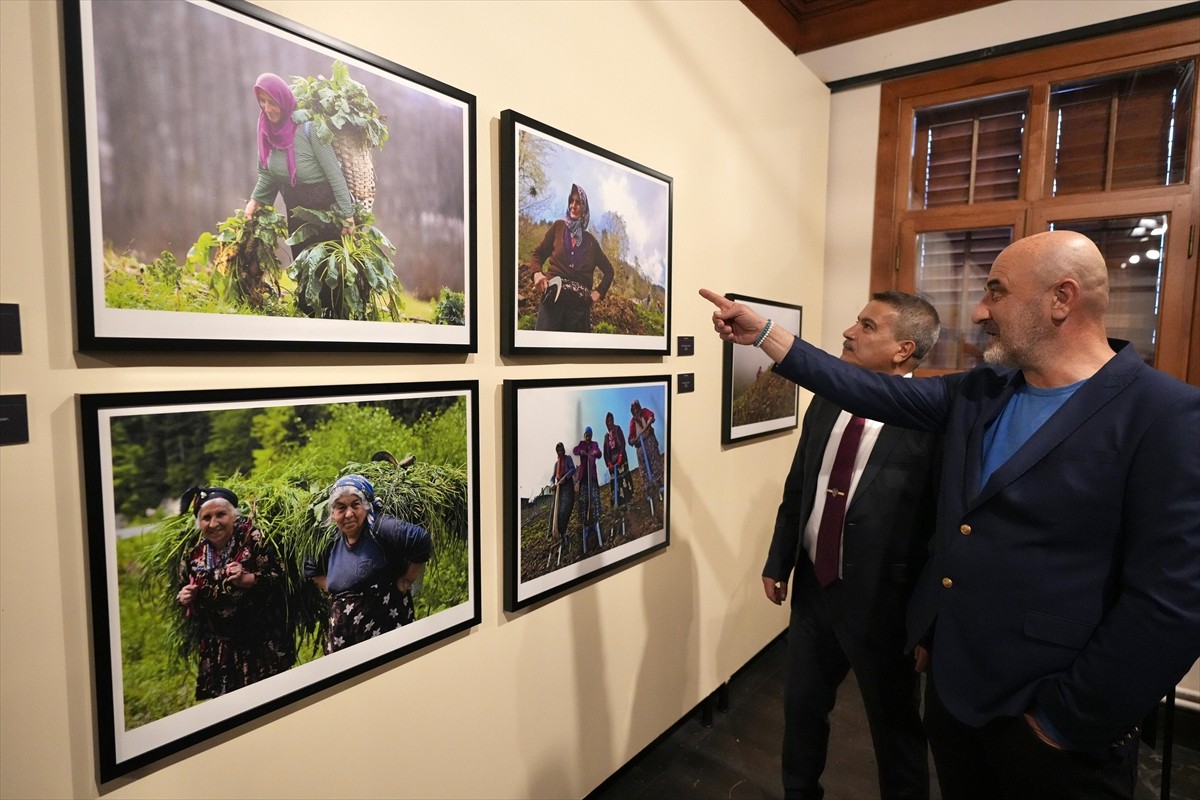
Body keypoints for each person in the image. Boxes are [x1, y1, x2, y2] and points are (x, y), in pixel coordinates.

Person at [701, 229, 1200, 800]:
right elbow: (868, 392)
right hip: (957, 697)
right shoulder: (982, 392)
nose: (982, 310)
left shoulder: (1166, 416)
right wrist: (765, 333)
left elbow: (1171, 602)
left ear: (1062, 299)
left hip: (1055, 722)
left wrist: (1067, 720)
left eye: (997, 292)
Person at [763, 291, 940, 800]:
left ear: (903, 349)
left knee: (895, 731)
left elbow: (939, 529)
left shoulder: (931, 421)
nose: (848, 331)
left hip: (888, 607)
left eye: (866, 326)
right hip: (816, 593)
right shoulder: (828, 399)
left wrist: (929, 622)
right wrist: (779, 560)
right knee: (801, 711)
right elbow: (800, 486)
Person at [242, 73, 355, 314]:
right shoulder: (266, 131)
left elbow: (334, 173)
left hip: (325, 211)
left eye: (271, 101)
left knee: (328, 275)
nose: (266, 107)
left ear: (283, 101)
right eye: (262, 101)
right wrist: (254, 202)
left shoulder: (309, 129)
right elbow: (268, 173)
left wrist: (347, 213)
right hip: (295, 210)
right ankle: (307, 325)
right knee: (304, 271)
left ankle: (336, 327)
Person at [175, 486, 295, 699]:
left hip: (261, 643)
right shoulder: (193, 553)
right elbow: (185, 588)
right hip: (220, 650)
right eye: (206, 518)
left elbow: (281, 578)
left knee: (270, 704)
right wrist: (185, 597)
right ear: (199, 523)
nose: (214, 523)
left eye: (221, 514)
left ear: (234, 515)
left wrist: (248, 579)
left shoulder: (254, 538)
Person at [305, 475, 432, 653]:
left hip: (385, 630)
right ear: (333, 514)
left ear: (366, 506)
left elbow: (421, 540)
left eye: (355, 505)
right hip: (343, 636)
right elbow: (310, 566)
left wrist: (407, 580)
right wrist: (336, 589)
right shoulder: (329, 538)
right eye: (341, 508)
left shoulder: (381, 528)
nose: (348, 514)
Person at [529, 183, 614, 332]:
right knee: (543, 352)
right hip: (552, 303)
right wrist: (537, 273)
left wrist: (599, 293)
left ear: (585, 208)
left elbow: (609, 270)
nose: (573, 206)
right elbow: (538, 253)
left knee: (575, 355)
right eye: (571, 201)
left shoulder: (591, 242)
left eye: (578, 202)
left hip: (579, 312)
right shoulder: (558, 227)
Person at [573, 427, 604, 555]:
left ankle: (595, 522)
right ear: (584, 435)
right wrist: (582, 452)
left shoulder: (594, 444)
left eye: (589, 435)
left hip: (592, 476)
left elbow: (600, 454)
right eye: (586, 435)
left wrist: (595, 453)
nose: (588, 437)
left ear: (591, 435)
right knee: (584, 501)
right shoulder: (582, 444)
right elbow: (575, 450)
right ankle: (586, 525)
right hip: (583, 478)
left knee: (595, 498)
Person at [627, 399, 663, 497]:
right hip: (640, 445)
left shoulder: (644, 412)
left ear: (639, 407)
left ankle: (659, 483)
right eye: (633, 409)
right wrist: (632, 440)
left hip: (649, 439)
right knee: (643, 468)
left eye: (636, 408)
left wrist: (650, 420)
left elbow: (651, 415)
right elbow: (630, 436)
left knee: (655, 461)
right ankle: (649, 489)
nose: (635, 410)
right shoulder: (632, 422)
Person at [602, 411, 635, 509]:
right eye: (608, 421)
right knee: (616, 482)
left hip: (621, 460)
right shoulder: (606, 437)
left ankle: (628, 501)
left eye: (611, 420)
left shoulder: (617, 429)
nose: (610, 422)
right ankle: (619, 504)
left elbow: (623, 442)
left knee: (624, 479)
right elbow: (605, 452)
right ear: (606, 423)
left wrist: (621, 455)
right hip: (612, 463)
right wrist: (609, 463)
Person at [549, 442, 577, 549]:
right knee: (557, 512)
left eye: (561, 450)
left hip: (567, 487)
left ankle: (564, 534)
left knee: (565, 511)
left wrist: (564, 478)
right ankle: (559, 535)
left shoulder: (568, 458)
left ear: (563, 450)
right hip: (559, 490)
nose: (560, 452)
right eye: (558, 451)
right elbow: (552, 478)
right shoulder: (556, 464)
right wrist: (552, 484)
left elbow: (572, 469)